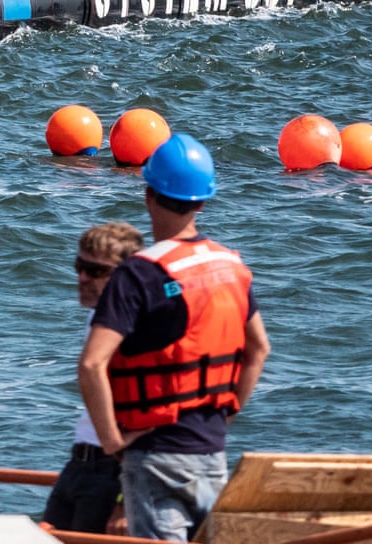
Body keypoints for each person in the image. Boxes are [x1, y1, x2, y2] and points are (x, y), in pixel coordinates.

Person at [78, 134, 270, 541]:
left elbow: (93, 363)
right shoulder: (231, 266)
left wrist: (112, 442)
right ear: (202, 200)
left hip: (154, 454)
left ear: (148, 194)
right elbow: (259, 350)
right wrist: (228, 412)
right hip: (211, 449)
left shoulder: (139, 273)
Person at [43, 220, 144, 534]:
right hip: (80, 462)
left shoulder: (139, 326)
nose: (82, 278)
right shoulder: (98, 317)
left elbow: (152, 414)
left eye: (96, 271)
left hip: (112, 470)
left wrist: (124, 499)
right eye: (79, 266)